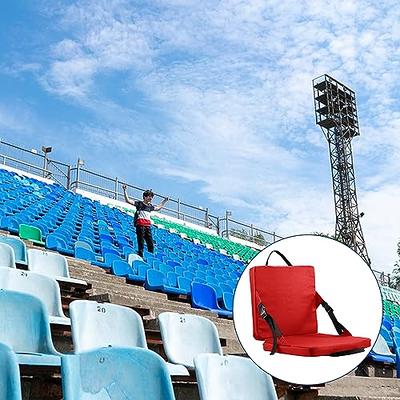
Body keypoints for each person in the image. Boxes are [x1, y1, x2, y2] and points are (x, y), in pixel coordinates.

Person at [122, 184, 169, 258]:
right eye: (149, 196)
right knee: (141, 242)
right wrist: (125, 191)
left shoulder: (150, 207)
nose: (151, 198)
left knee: (150, 243)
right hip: (140, 226)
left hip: (148, 226)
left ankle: (151, 257)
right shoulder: (139, 204)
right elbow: (128, 200)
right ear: (145, 197)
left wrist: (164, 201)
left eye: (151, 197)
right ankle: (140, 256)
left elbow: (158, 208)